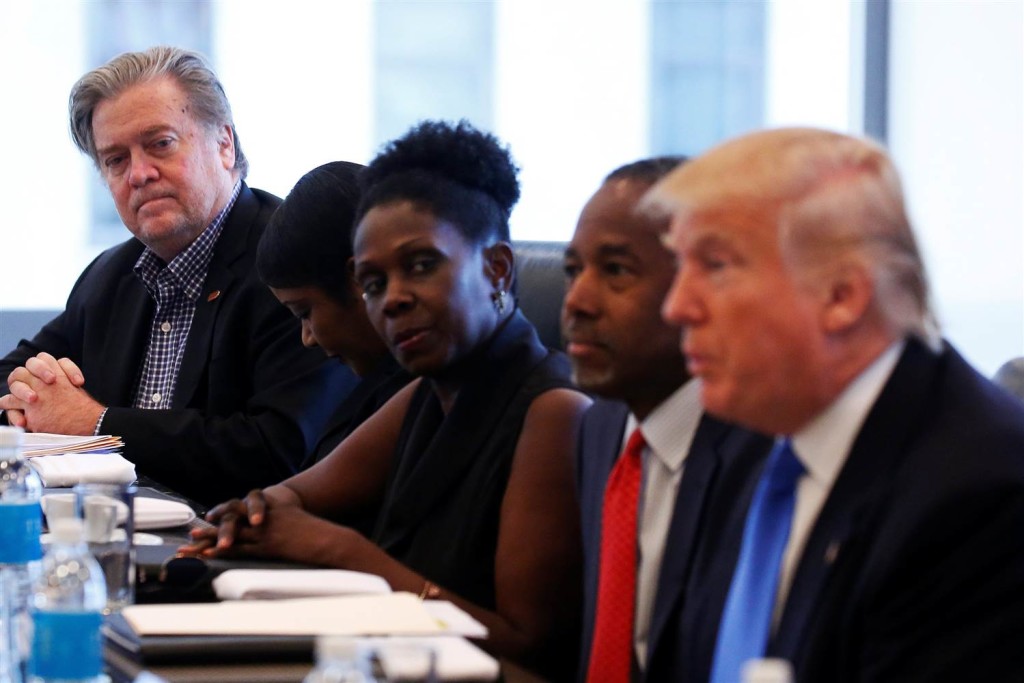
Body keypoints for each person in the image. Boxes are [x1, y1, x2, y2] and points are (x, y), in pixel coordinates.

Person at [183, 120, 590, 678]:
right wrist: (250, 514)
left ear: (496, 268)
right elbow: (290, 498)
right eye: (373, 284)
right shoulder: (428, 392)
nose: (393, 299)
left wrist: (343, 551)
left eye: (421, 266)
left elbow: (525, 649)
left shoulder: (553, 412)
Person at [645, 127, 1024, 681]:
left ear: (842, 297)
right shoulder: (755, 431)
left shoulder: (979, 493)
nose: (677, 306)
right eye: (681, 265)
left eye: (717, 265)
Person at [0, 47, 354, 507]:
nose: (140, 174)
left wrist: (96, 423)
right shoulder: (109, 276)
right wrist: (37, 388)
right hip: (118, 537)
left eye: (160, 144)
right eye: (115, 160)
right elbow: (9, 374)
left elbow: (278, 449)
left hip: (243, 549)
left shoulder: (286, 260)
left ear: (224, 144)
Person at [563, 157, 771, 683]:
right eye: (572, 270)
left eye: (615, 270)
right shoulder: (599, 428)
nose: (577, 300)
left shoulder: (765, 451)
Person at [256, 160, 413, 470]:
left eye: (304, 312)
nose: (307, 337)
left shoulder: (422, 395)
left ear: (360, 280)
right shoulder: (371, 389)